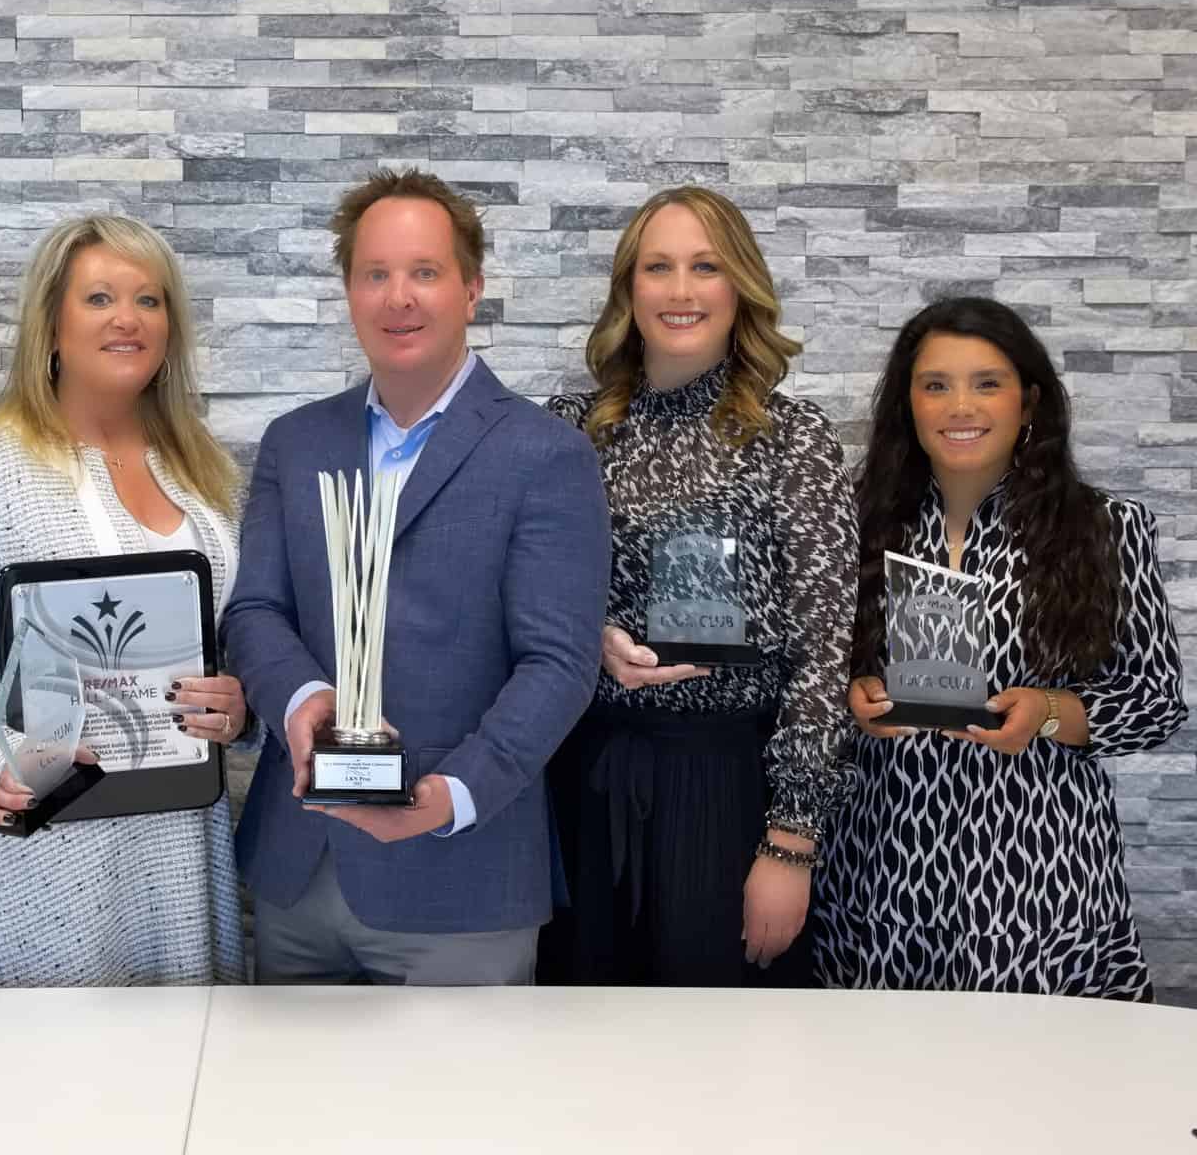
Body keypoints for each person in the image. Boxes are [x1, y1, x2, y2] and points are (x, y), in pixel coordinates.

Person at [224, 168, 608, 986]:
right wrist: (301, 704)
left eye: (425, 272)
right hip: (297, 872)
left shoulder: (546, 454)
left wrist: (447, 798)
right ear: (350, 291)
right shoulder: (295, 443)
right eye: (377, 274)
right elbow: (255, 610)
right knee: (290, 1115)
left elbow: (559, 667)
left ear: (471, 289)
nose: (400, 297)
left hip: (461, 882)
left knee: (455, 1116)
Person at [0, 214, 249, 987]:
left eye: (149, 301)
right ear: (50, 324)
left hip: (184, 840)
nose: (126, 319)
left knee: (183, 1088)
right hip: (52, 846)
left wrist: (241, 710)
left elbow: (232, 644)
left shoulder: (204, 473)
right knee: (44, 1089)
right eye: (100, 297)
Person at [813, 297, 1186, 1000]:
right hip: (885, 871)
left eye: (987, 383)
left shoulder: (1104, 528)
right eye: (935, 385)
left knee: (1039, 1092)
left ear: (1029, 401)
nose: (961, 406)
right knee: (879, 1091)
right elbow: (811, 670)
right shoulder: (854, 521)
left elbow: (1154, 702)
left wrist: (1047, 712)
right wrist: (850, 696)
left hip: (1038, 878)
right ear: (908, 405)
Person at [543, 185, 856, 987]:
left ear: (738, 285)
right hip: (586, 782)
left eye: (705, 266)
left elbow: (825, 656)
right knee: (584, 1057)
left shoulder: (794, 438)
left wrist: (791, 843)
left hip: (728, 793)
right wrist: (588, 639)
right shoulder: (570, 428)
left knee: (723, 1070)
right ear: (629, 289)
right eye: (659, 267)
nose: (681, 291)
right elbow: (526, 598)